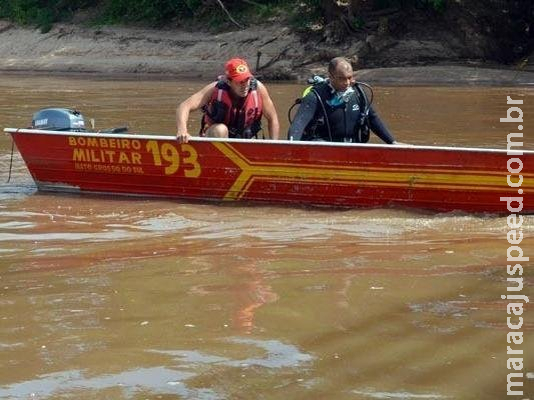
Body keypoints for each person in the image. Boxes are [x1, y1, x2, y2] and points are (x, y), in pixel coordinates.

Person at [288, 57, 398, 144]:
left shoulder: (359, 94)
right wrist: (291, 146)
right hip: (323, 150)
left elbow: (373, 119)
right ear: (330, 77)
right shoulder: (315, 96)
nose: (347, 83)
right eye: (341, 78)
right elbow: (298, 125)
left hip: (353, 149)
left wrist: (392, 142)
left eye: (349, 78)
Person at [176, 58, 280, 143]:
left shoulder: (258, 89)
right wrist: (182, 130)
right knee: (220, 129)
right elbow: (184, 106)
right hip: (216, 136)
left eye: (247, 79)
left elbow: (273, 118)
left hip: (245, 139)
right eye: (239, 81)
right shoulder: (215, 89)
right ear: (228, 81)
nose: (245, 85)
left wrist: (275, 145)